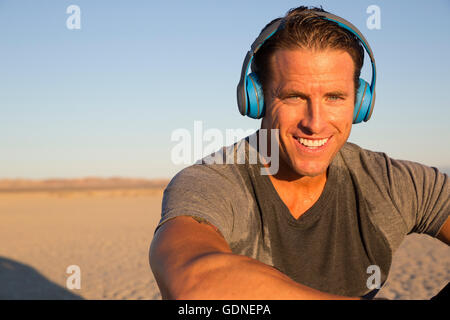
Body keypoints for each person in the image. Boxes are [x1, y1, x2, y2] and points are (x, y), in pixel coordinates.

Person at [149, 6, 450, 300]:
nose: (315, 123)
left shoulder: (395, 183)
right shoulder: (212, 183)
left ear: (360, 104)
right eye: (294, 96)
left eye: (334, 97)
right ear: (256, 98)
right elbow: (195, 284)